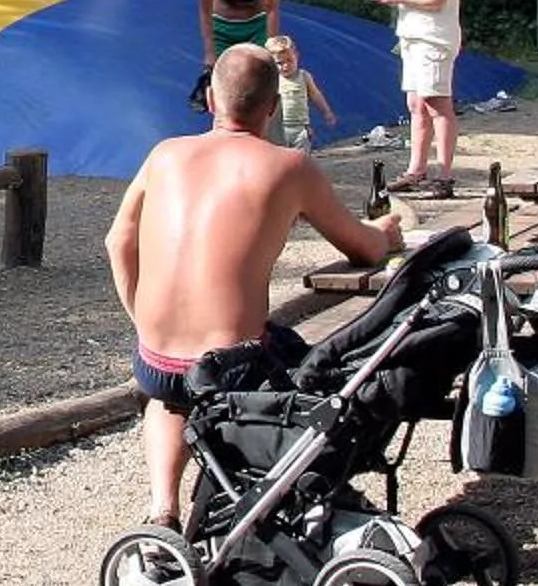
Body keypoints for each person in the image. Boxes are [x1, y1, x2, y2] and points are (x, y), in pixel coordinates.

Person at [105, 45, 405, 525]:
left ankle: (163, 504)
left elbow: (117, 240)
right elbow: (364, 249)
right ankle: (292, 494)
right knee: (316, 372)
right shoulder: (289, 166)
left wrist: (141, 319)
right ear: (271, 107)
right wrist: (386, 233)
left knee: (170, 397)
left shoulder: (164, 155)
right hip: (233, 368)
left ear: (209, 100)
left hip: (156, 359)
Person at [372, 0, 461, 197]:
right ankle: (416, 170)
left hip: (432, 39)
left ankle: (445, 176)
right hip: (415, 38)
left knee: (438, 104)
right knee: (416, 104)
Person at [264, 33, 336, 148]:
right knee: (281, 157)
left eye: (289, 60)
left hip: (300, 128)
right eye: (280, 63)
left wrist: (326, 112)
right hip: (279, 128)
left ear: (296, 56)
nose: (286, 66)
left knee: (301, 156)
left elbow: (315, 95)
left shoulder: (303, 76)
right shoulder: (273, 80)